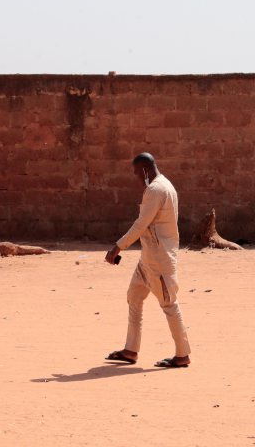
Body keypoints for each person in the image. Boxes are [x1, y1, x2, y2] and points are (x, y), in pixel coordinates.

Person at [104, 153, 191, 368]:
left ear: (144, 170)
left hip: (159, 260)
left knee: (169, 304)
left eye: (136, 173)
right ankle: (130, 350)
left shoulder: (155, 190)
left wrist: (117, 247)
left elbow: (141, 224)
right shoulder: (166, 185)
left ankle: (182, 355)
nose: (136, 177)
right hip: (148, 258)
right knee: (134, 297)